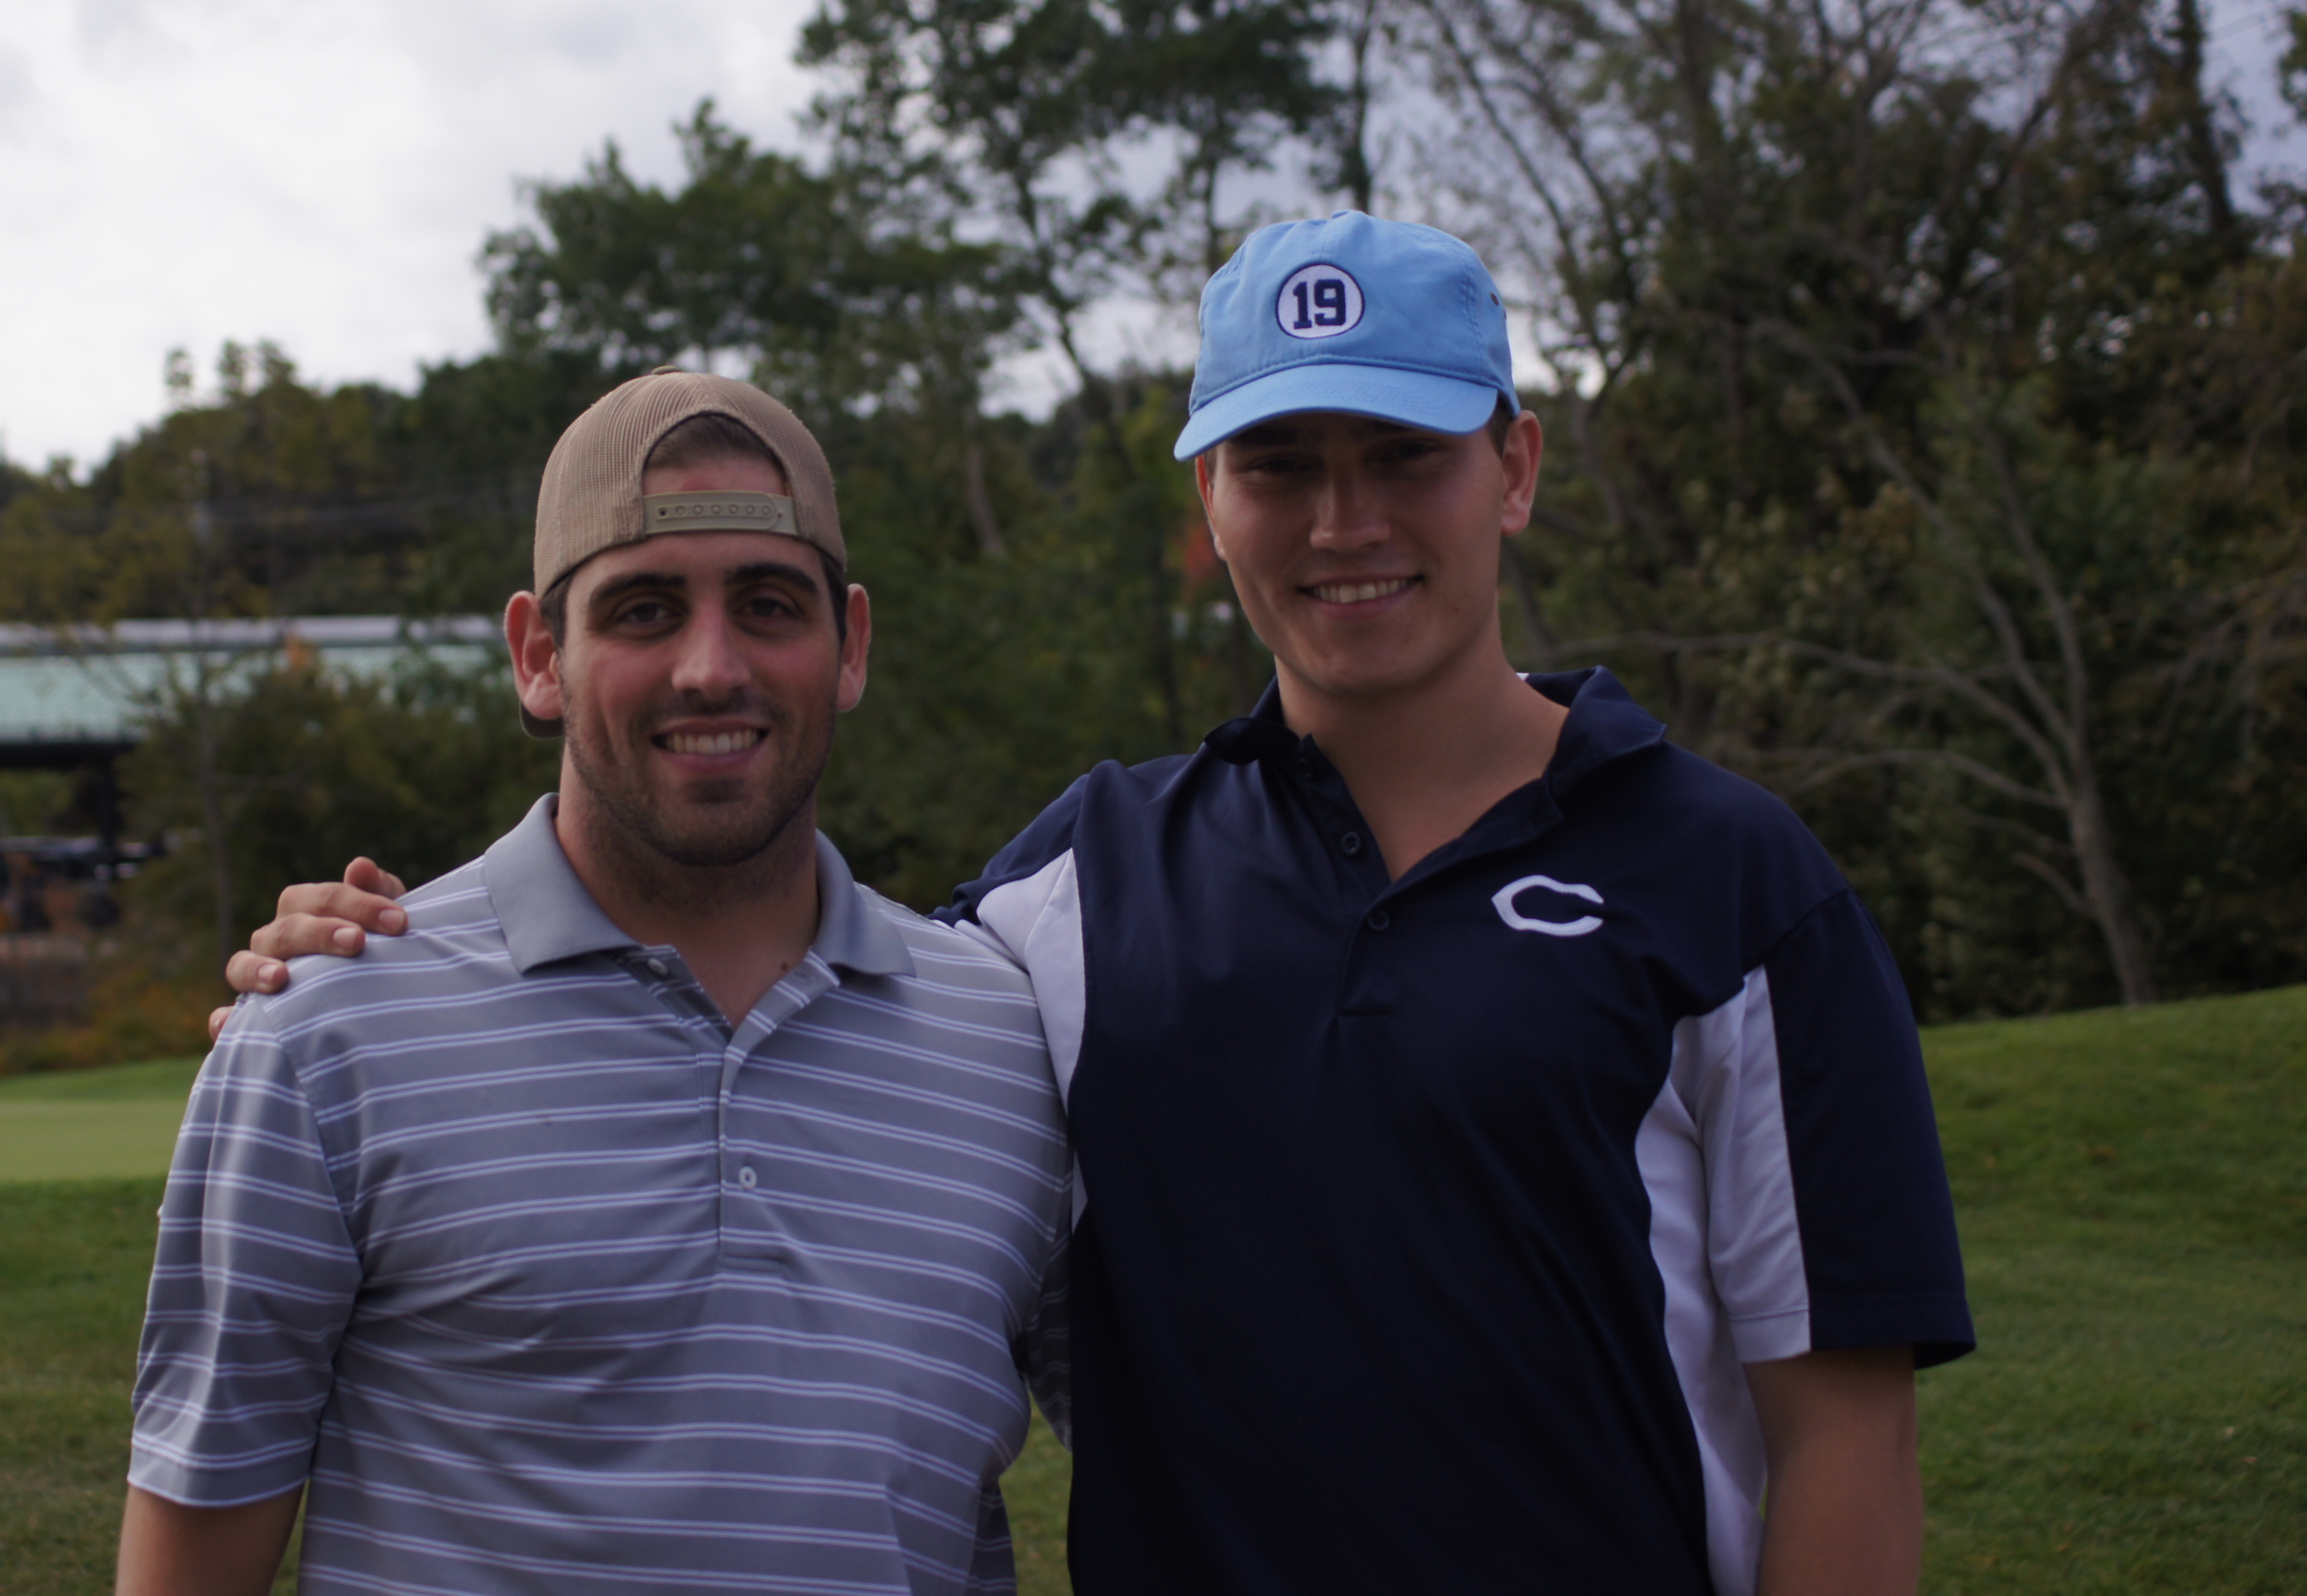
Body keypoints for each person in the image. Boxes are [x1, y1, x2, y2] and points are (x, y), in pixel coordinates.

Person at [231, 214, 1973, 1595]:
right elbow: (781, 984)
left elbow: (1844, 1440)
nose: (1343, 521)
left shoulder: (1733, 882)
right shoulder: (1069, 894)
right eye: (1278, 466)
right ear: (1208, 500)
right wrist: (400, 957)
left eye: (1404, 455)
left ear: (1512, 468)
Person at [124, 371, 1070, 1596]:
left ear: (851, 647)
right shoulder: (328, 1031)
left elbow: (1191, 1459)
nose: (710, 668)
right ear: (539, 657)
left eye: (768, 604)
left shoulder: (1010, 1037)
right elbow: (191, 1557)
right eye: (643, 610)